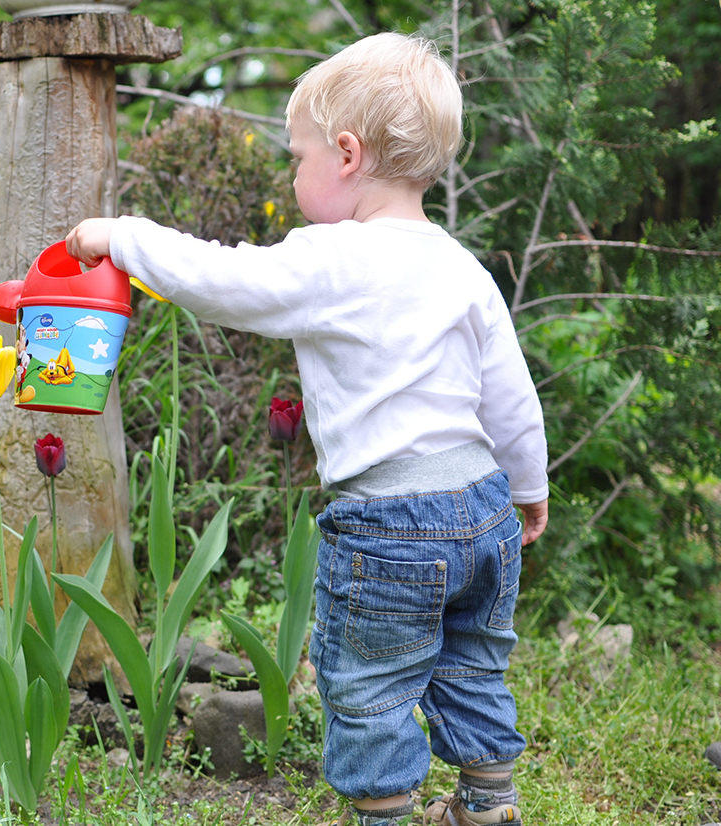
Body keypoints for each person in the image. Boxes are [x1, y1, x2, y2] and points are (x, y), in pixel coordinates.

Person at [65, 31, 548, 826]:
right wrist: (528, 489)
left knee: (370, 685)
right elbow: (511, 397)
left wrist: (120, 238)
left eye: (299, 156)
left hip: (390, 526)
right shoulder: (462, 267)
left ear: (348, 155)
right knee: (473, 666)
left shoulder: (334, 257)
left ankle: (386, 815)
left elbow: (221, 280)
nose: (294, 174)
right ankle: (489, 807)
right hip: (483, 509)